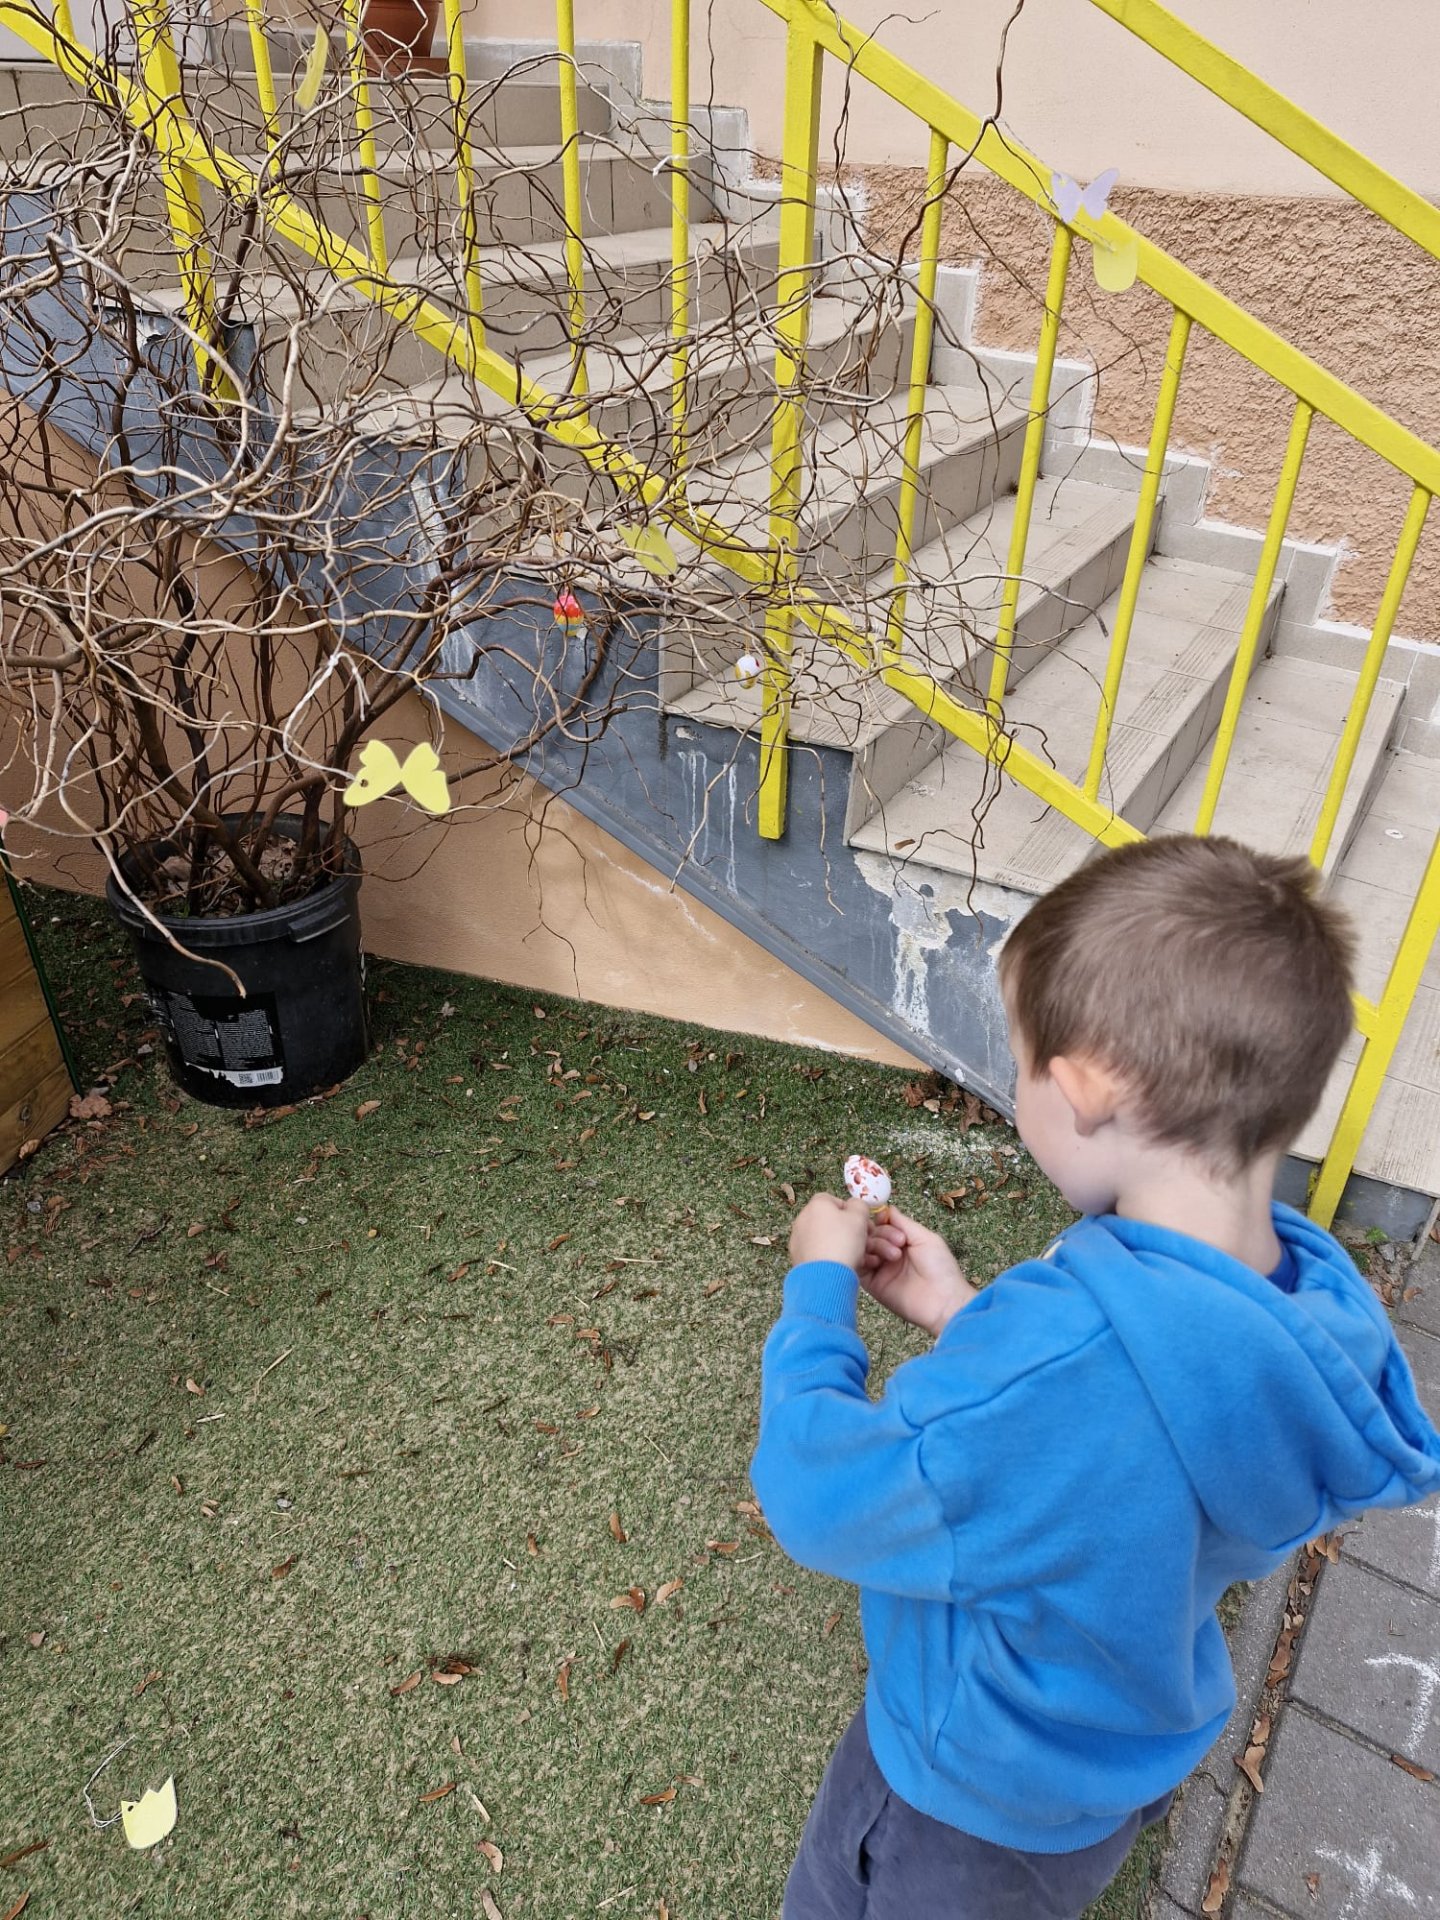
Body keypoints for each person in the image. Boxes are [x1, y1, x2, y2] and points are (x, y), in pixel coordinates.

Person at [751, 835, 1440, 1920]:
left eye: (1021, 1060)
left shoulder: (1060, 1371)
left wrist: (817, 1296)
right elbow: (1130, 1446)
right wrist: (964, 1315)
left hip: (958, 1799)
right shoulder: (1301, 1321)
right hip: (1106, 1779)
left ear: (1083, 1089)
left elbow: (817, 1491)